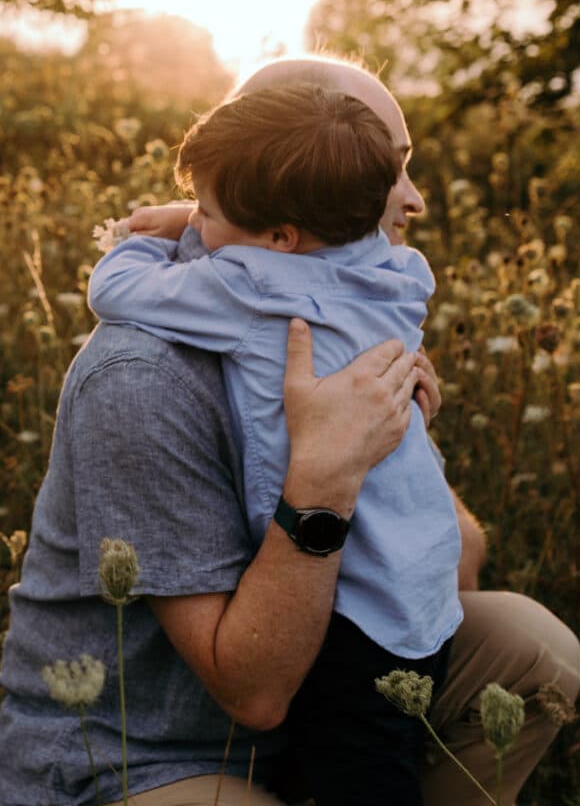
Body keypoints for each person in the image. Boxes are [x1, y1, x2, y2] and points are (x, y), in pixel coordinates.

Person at [0, 54, 580, 806]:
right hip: (143, 755)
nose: (412, 199)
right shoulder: (144, 374)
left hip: (317, 700)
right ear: (288, 203)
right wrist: (325, 479)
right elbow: (252, 694)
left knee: (530, 647)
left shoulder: (357, 301)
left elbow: (456, 567)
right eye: (386, 171)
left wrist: (403, 441)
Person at [87, 81, 461, 806]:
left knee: (360, 777)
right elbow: (301, 245)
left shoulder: (249, 288)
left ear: (279, 236)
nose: (199, 222)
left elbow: (118, 290)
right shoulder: (399, 277)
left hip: (350, 612)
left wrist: (158, 235)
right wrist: (217, 220)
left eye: (208, 211)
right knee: (386, 752)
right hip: (418, 590)